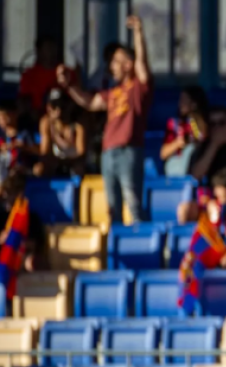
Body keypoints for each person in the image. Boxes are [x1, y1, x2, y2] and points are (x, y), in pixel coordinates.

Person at [59, 15, 150, 224]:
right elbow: (90, 103)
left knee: (133, 204)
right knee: (112, 208)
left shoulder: (138, 87)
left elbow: (142, 64)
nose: (112, 67)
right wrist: (69, 86)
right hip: (109, 152)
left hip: (129, 150)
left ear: (128, 65)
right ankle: (115, 250)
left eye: (116, 62)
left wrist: (137, 32)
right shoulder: (113, 92)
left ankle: (142, 249)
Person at [158, 86, 211, 176]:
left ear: (195, 103)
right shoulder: (174, 124)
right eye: (180, 100)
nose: (180, 103)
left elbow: (203, 140)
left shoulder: (208, 122)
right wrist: (179, 143)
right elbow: (163, 154)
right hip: (178, 166)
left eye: (185, 100)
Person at [32, 95, 85, 178]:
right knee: (38, 169)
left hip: (74, 163)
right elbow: (45, 152)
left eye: (62, 106)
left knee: (79, 168)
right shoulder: (46, 122)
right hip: (55, 162)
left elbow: (81, 153)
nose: (58, 110)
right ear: (48, 108)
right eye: (54, 106)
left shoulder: (78, 125)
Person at [20, 35, 72, 119]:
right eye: (48, 48)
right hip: (36, 119)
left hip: (63, 118)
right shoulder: (29, 75)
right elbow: (23, 100)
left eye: (53, 47)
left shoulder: (67, 73)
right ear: (39, 51)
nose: (51, 51)